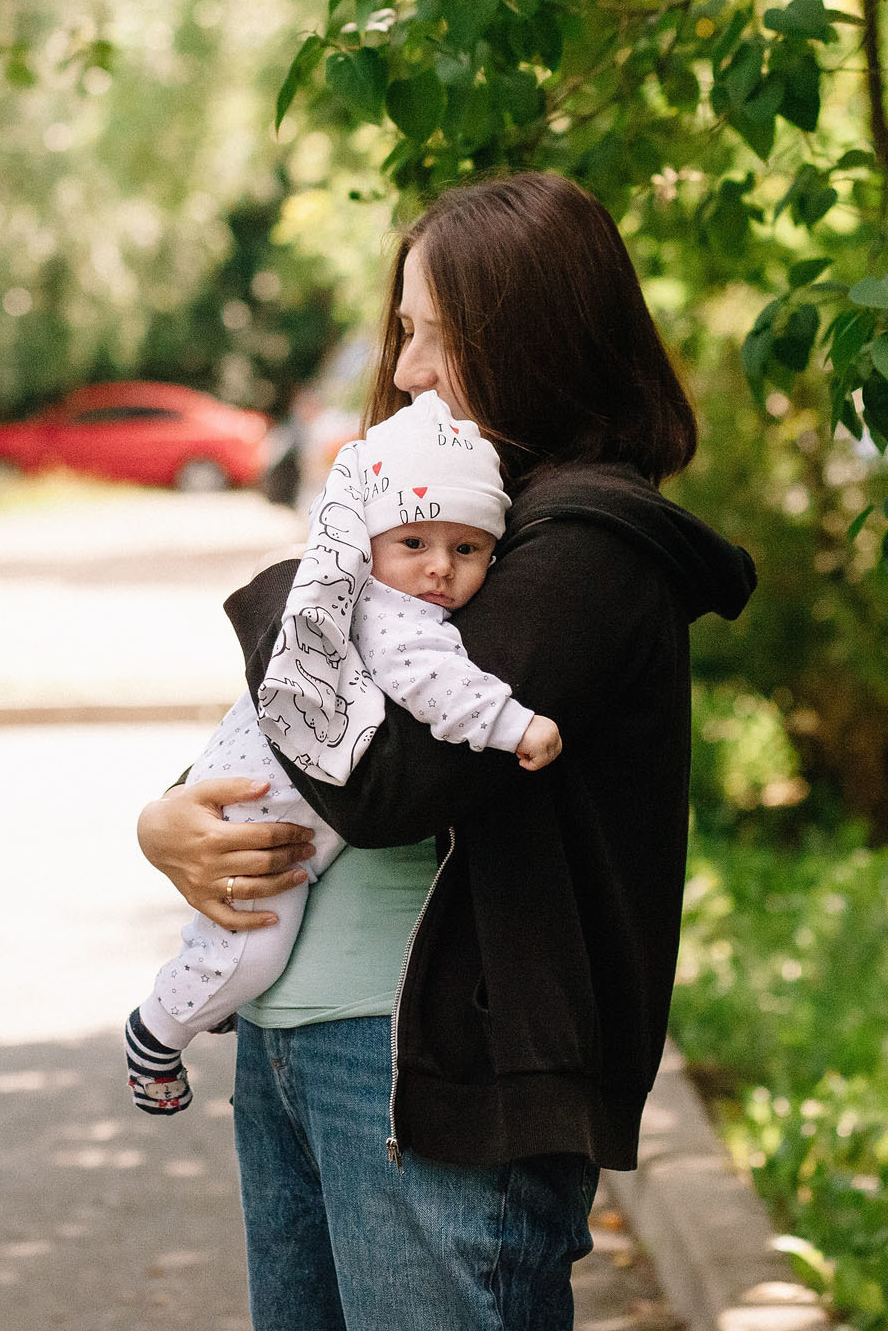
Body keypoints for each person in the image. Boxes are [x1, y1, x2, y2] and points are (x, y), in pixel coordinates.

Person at [137, 170, 756, 1331]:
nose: (409, 369)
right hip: (291, 1040)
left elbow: (390, 782)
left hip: (431, 1073)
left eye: (436, 335)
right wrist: (170, 813)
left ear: (533, 340)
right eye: (406, 332)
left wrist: (300, 587)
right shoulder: (458, 524)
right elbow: (301, 734)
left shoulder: (586, 552)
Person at [122, 390, 561, 1115]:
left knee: (239, 948)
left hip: (267, 790)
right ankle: (157, 1031)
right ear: (371, 543)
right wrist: (516, 726)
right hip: (258, 803)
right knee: (250, 948)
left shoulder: (383, 596)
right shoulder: (389, 613)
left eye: (468, 548)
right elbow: (433, 685)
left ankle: (206, 994)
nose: (440, 570)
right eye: (413, 544)